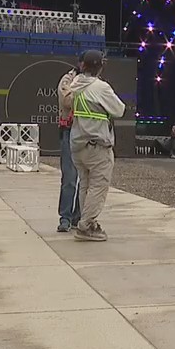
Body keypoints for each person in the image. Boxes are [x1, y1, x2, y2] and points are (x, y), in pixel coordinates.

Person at [61, 50, 125, 242]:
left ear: (83, 66)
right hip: (96, 144)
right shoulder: (100, 87)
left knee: (85, 185)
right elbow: (119, 109)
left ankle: (86, 220)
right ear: (100, 66)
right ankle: (86, 225)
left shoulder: (75, 84)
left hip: (78, 143)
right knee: (98, 186)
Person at [55, 63, 81, 232]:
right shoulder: (67, 79)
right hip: (69, 131)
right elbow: (66, 100)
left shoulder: (96, 82)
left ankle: (78, 217)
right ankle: (65, 217)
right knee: (70, 178)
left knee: (86, 181)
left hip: (89, 133)